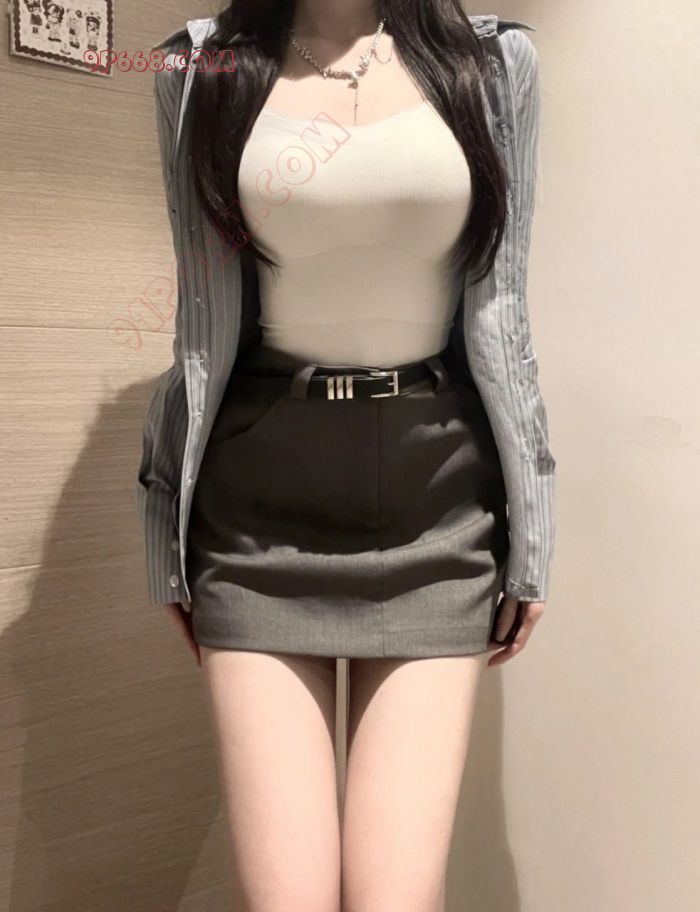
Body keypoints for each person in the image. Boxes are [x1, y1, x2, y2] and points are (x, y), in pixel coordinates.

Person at [137, 2, 557, 908]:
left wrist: (535, 533)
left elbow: (505, 315)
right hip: (256, 513)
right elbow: (198, 333)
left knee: (394, 896)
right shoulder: (201, 69)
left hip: (438, 502)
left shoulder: (492, 64)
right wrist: (162, 530)